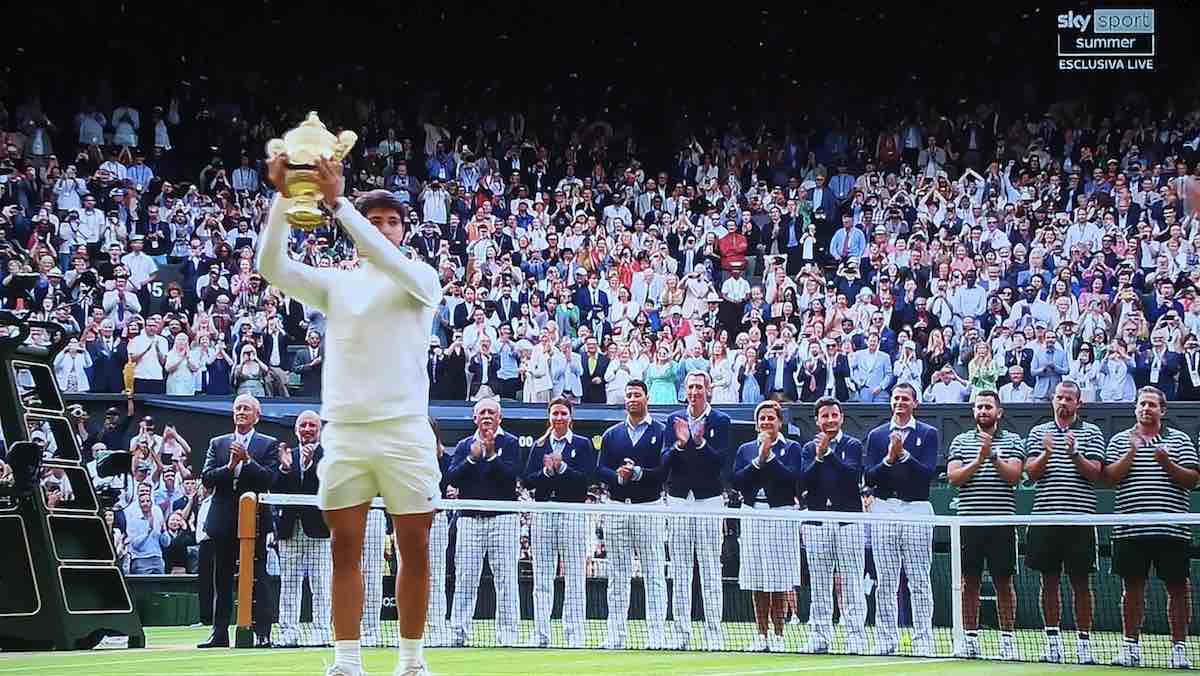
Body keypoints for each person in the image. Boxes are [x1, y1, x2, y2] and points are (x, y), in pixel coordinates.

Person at [258, 156, 444, 676]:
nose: (384, 227)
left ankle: (411, 661)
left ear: (403, 230)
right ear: (354, 229)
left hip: (406, 431)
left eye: (393, 220)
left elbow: (386, 256)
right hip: (345, 434)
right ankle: (346, 663)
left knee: (416, 548)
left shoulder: (421, 279)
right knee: (345, 548)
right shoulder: (335, 285)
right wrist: (283, 195)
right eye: (375, 218)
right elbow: (270, 266)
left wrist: (340, 202)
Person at [1102, 386, 1198, 669]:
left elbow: (1192, 480)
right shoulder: (1120, 440)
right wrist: (1130, 455)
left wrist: (1166, 462)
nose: (1146, 409)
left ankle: (1179, 649)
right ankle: (1130, 647)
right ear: (1135, 408)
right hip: (1130, 529)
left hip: (1172, 529)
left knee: (1179, 589)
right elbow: (1108, 478)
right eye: (1142, 404)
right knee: (1131, 589)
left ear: (1162, 410)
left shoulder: (1179, 440)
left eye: (1152, 405)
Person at [1023, 381, 1105, 665]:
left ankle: (1084, 644)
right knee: (1049, 582)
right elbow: (1031, 474)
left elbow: (1096, 474)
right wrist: (1046, 452)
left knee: (1082, 583)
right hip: (1046, 517)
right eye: (1059, 398)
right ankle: (1052, 642)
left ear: (1078, 403)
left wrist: (1075, 453)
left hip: (1080, 519)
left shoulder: (1092, 433)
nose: (1063, 403)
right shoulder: (1038, 433)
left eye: (1069, 399)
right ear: (1052, 400)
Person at [947, 391, 1025, 661]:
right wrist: (978, 460)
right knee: (970, 583)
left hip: (1002, 522)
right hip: (970, 522)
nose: (983, 411)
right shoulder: (960, 441)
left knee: (1004, 582)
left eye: (988, 407)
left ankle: (1007, 640)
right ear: (974, 411)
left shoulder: (1013, 441)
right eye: (979, 406)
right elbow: (954, 477)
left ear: (998, 412)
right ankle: (970, 639)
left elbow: (1014, 476)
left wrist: (992, 456)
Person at [863, 383, 939, 656]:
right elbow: (870, 476)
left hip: (917, 508)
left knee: (919, 579)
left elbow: (926, 474)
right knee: (886, 580)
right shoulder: (876, 434)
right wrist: (888, 459)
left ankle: (923, 640)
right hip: (885, 508)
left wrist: (903, 455)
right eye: (896, 398)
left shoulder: (929, 434)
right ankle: (886, 639)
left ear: (915, 403)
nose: (900, 402)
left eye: (905, 398)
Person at [198, 394, 279, 648]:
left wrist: (247, 460)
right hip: (222, 521)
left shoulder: (268, 444)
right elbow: (208, 479)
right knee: (221, 579)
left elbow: (269, 480)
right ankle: (218, 633)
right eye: (237, 408)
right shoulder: (217, 443)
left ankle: (262, 633)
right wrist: (231, 466)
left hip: (254, 521)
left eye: (246, 408)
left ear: (257, 415)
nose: (241, 412)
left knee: (259, 578)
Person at [596, 380, 668, 650]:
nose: (633, 399)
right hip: (617, 507)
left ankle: (656, 634)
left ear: (647, 397)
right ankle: (615, 634)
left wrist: (639, 473)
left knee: (654, 573)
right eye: (629, 395)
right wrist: (617, 476)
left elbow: (663, 470)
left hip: (649, 508)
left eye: (637, 394)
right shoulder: (612, 434)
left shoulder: (660, 432)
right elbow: (600, 468)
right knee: (617, 575)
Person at [662, 371, 731, 651]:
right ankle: (681, 631)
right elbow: (664, 460)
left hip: (709, 500)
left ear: (709, 389)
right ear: (684, 390)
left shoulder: (721, 421)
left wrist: (700, 442)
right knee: (680, 570)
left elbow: (721, 463)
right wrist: (680, 444)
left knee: (711, 569)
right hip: (679, 499)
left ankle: (714, 633)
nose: (694, 391)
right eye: (690, 387)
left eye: (699, 387)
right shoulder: (673, 421)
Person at [446, 398, 521, 647]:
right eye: (482, 412)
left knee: (506, 579)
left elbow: (510, 479)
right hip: (469, 520)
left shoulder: (509, 443)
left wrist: (490, 456)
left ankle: (508, 636)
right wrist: (471, 458)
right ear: (474, 418)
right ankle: (458, 633)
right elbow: (452, 477)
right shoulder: (464, 445)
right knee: (466, 578)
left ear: (499, 418)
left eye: (492, 412)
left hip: (502, 519)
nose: (487, 416)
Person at [522, 397, 595, 648]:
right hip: (543, 513)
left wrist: (562, 468)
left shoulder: (583, 445)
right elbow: (528, 481)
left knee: (574, 576)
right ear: (549, 416)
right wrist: (545, 472)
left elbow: (586, 481)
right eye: (555, 413)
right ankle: (541, 634)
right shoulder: (539, 445)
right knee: (542, 577)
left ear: (570, 416)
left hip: (571, 513)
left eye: (563, 413)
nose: (559, 418)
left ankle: (574, 634)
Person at [798, 396, 867, 655]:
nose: (829, 420)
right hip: (817, 522)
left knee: (852, 583)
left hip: (848, 521)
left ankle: (856, 638)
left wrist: (828, 453)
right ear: (817, 420)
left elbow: (851, 478)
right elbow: (804, 482)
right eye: (824, 416)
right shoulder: (807, 449)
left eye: (833, 415)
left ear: (841, 417)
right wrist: (818, 456)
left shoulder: (852, 444)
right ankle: (819, 636)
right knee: (819, 583)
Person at [732, 400, 802, 653]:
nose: (766, 422)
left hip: (780, 514)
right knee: (757, 578)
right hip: (753, 513)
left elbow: (791, 480)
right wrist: (757, 461)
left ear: (779, 422)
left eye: (771, 418)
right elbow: (738, 481)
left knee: (779, 578)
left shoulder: (792, 448)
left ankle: (779, 635)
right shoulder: (745, 449)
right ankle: (761, 634)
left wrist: (769, 457)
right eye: (762, 418)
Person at [272, 410, 332, 648]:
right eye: (303, 425)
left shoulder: (330, 456)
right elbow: (275, 490)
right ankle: (288, 633)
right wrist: (286, 469)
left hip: (319, 529)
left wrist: (309, 465)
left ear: (320, 430)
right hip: (289, 529)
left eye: (312, 425)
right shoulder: (287, 455)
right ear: (297, 429)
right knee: (288, 583)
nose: (307, 429)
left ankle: (321, 632)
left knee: (320, 583)